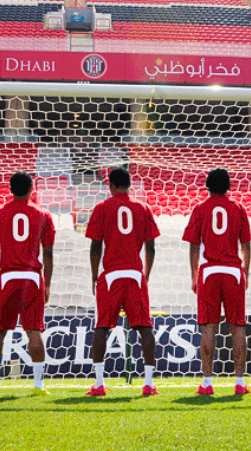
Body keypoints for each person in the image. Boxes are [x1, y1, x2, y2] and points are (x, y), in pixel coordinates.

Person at [85, 168, 160, 397]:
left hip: (111, 275)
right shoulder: (143, 208)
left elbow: (95, 245)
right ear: (129, 184)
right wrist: (145, 274)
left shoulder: (101, 208)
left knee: (101, 328)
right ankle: (148, 383)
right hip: (135, 274)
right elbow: (151, 246)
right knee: (145, 327)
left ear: (111, 185)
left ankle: (99, 384)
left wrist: (94, 274)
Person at [0, 171, 55, 395]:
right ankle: (39, 385)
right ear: (32, 190)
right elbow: (48, 253)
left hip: (6, 276)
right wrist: (47, 284)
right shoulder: (43, 214)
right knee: (34, 330)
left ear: (10, 190)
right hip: (32, 277)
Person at [182, 168, 251, 395]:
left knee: (208, 327)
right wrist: (246, 273)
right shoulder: (238, 208)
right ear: (229, 185)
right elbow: (246, 245)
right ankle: (240, 383)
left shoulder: (200, 208)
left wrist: (194, 274)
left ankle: (207, 383)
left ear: (207, 186)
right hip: (233, 271)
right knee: (238, 326)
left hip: (209, 271)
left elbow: (193, 245)